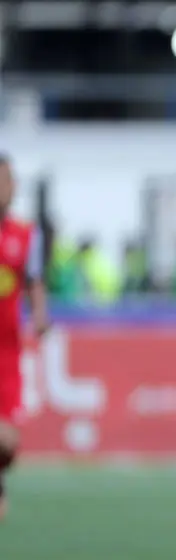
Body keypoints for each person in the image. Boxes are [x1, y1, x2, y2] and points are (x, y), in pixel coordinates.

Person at [0, 154, 51, 520]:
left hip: (7, 353)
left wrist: (40, 315)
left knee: (8, 444)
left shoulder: (25, 235)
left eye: (7, 180)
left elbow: (34, 281)